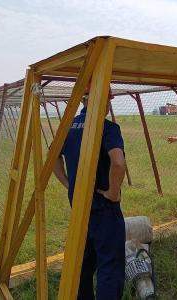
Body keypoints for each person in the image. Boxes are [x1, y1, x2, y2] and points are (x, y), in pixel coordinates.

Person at [53, 86, 126, 300]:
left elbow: (53, 157)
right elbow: (118, 163)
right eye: (108, 100)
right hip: (104, 208)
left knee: (84, 262)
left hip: (79, 207)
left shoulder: (68, 126)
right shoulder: (107, 128)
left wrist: (68, 183)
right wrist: (113, 192)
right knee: (110, 266)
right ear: (102, 102)